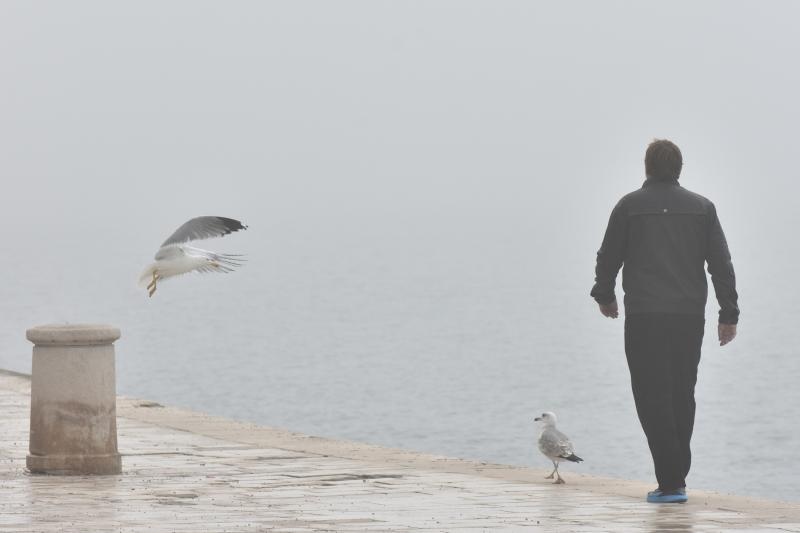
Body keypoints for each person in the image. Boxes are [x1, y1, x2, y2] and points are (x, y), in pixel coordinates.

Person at [591, 139, 739, 504]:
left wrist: (605, 295)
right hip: (688, 317)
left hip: (644, 317)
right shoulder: (702, 208)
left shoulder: (629, 206)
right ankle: (675, 478)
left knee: (650, 396)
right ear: (679, 167)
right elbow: (721, 264)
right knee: (680, 393)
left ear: (647, 167)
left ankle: (671, 481)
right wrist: (728, 313)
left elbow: (609, 256)